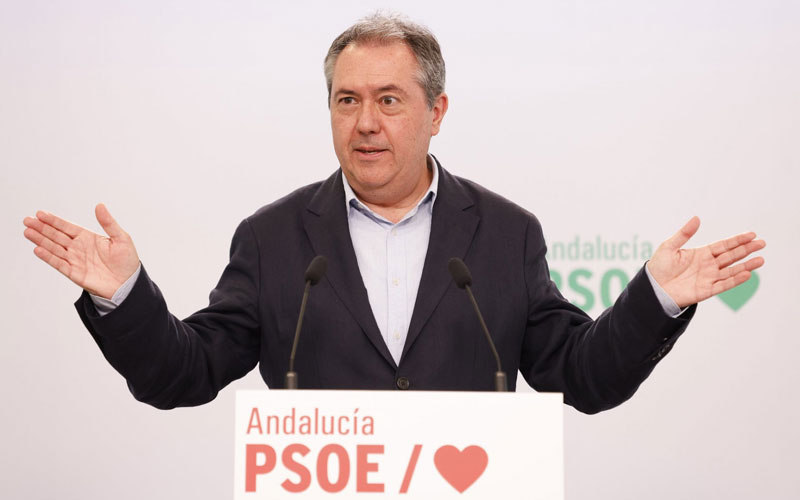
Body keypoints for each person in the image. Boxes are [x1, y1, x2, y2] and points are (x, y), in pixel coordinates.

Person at [22, 14, 765, 413]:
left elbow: (581, 375)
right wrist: (123, 295)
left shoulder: (507, 235)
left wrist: (656, 297)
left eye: (389, 100)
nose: (366, 123)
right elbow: (182, 374)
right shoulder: (273, 238)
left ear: (436, 112)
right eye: (347, 100)